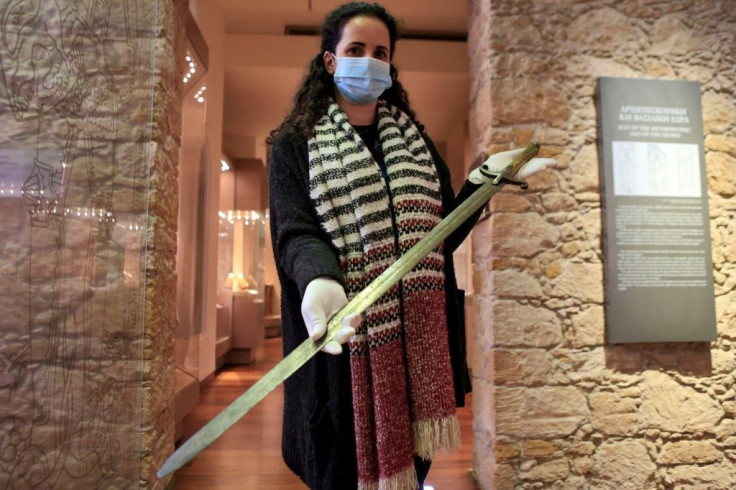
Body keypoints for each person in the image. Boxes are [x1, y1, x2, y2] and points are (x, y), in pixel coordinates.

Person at [267, 3, 554, 489]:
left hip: (413, 358)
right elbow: (296, 231)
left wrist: (485, 183)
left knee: (412, 473)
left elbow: (438, 238)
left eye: (380, 52)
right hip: (343, 348)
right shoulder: (295, 143)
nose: (369, 60)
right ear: (330, 60)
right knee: (338, 469)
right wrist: (318, 276)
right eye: (355, 49)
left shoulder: (415, 145)